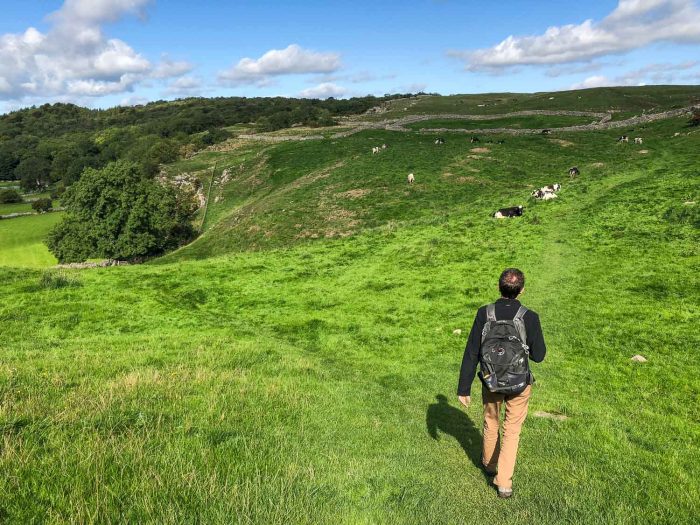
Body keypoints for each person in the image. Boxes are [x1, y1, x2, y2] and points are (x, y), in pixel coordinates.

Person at [457, 268, 546, 498]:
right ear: (522, 290)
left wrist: (463, 388)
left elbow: (471, 352)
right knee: (512, 430)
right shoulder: (530, 317)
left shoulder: (484, 313)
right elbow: (539, 355)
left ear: (499, 287)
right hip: (520, 384)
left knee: (491, 422)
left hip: (490, 380)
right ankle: (504, 483)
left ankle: (488, 464)